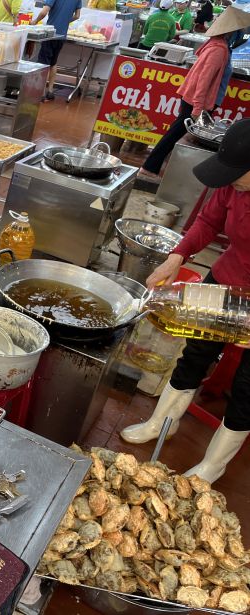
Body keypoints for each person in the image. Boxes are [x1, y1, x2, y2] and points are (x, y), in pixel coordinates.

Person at [120, 119, 250, 484]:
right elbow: (208, 221)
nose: (232, 181)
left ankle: (213, 465)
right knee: (196, 352)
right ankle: (162, 422)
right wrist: (177, 257)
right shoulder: (232, 186)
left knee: (247, 387)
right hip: (226, 279)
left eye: (238, 175)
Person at [139, 7, 250, 178]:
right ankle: (149, 168)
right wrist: (198, 108)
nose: (241, 33)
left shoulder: (219, 45)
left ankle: (156, 167)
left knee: (179, 134)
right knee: (175, 134)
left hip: (196, 99)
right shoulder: (218, 50)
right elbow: (204, 81)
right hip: (197, 100)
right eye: (239, 31)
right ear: (231, 31)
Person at [31, 0, 82, 101]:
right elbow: (77, 16)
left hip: (50, 34)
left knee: (43, 64)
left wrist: (35, 21)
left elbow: (44, 12)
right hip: (62, 35)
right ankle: (50, 91)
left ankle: (40, 93)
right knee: (53, 62)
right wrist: (64, 21)